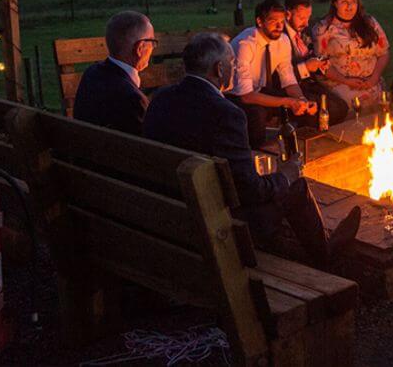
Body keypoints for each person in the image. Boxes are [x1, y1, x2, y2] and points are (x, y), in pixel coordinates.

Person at [143, 33, 360, 268]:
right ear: (219, 69)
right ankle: (326, 254)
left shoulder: (160, 99)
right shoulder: (226, 113)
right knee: (296, 186)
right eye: (233, 63)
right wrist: (286, 174)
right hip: (220, 225)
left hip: (169, 211)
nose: (235, 68)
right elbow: (250, 192)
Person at [228, 0, 317, 150]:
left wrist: (301, 100)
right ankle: (257, 157)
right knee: (257, 114)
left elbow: (288, 79)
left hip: (258, 89)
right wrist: (288, 102)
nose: (279, 26)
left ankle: (303, 153)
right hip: (234, 96)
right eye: (273, 21)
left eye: (282, 21)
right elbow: (246, 96)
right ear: (260, 21)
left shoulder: (282, 41)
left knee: (308, 104)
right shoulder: (245, 44)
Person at [73, 10, 155, 136]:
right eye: (152, 42)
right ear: (140, 48)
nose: (153, 48)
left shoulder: (91, 73)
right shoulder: (132, 99)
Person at [311, 0, 390, 112]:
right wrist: (347, 81)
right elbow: (321, 64)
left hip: (371, 81)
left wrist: (374, 77)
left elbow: (384, 52)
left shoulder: (369, 23)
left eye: (353, 2)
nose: (350, 6)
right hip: (341, 84)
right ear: (335, 3)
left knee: (380, 118)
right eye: (344, 2)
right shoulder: (324, 29)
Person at [283, 0, 349, 126]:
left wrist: (320, 64)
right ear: (288, 14)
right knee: (326, 111)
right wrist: (306, 67)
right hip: (292, 88)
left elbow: (309, 56)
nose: (306, 23)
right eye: (301, 18)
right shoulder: (281, 37)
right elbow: (281, 75)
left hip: (310, 83)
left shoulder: (302, 32)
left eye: (308, 17)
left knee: (342, 106)